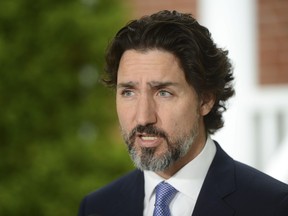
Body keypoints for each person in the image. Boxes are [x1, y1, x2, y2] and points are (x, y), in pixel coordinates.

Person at [78, 10, 288, 216]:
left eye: (163, 92)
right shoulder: (97, 207)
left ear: (205, 99)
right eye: (128, 92)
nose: (143, 117)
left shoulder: (273, 206)